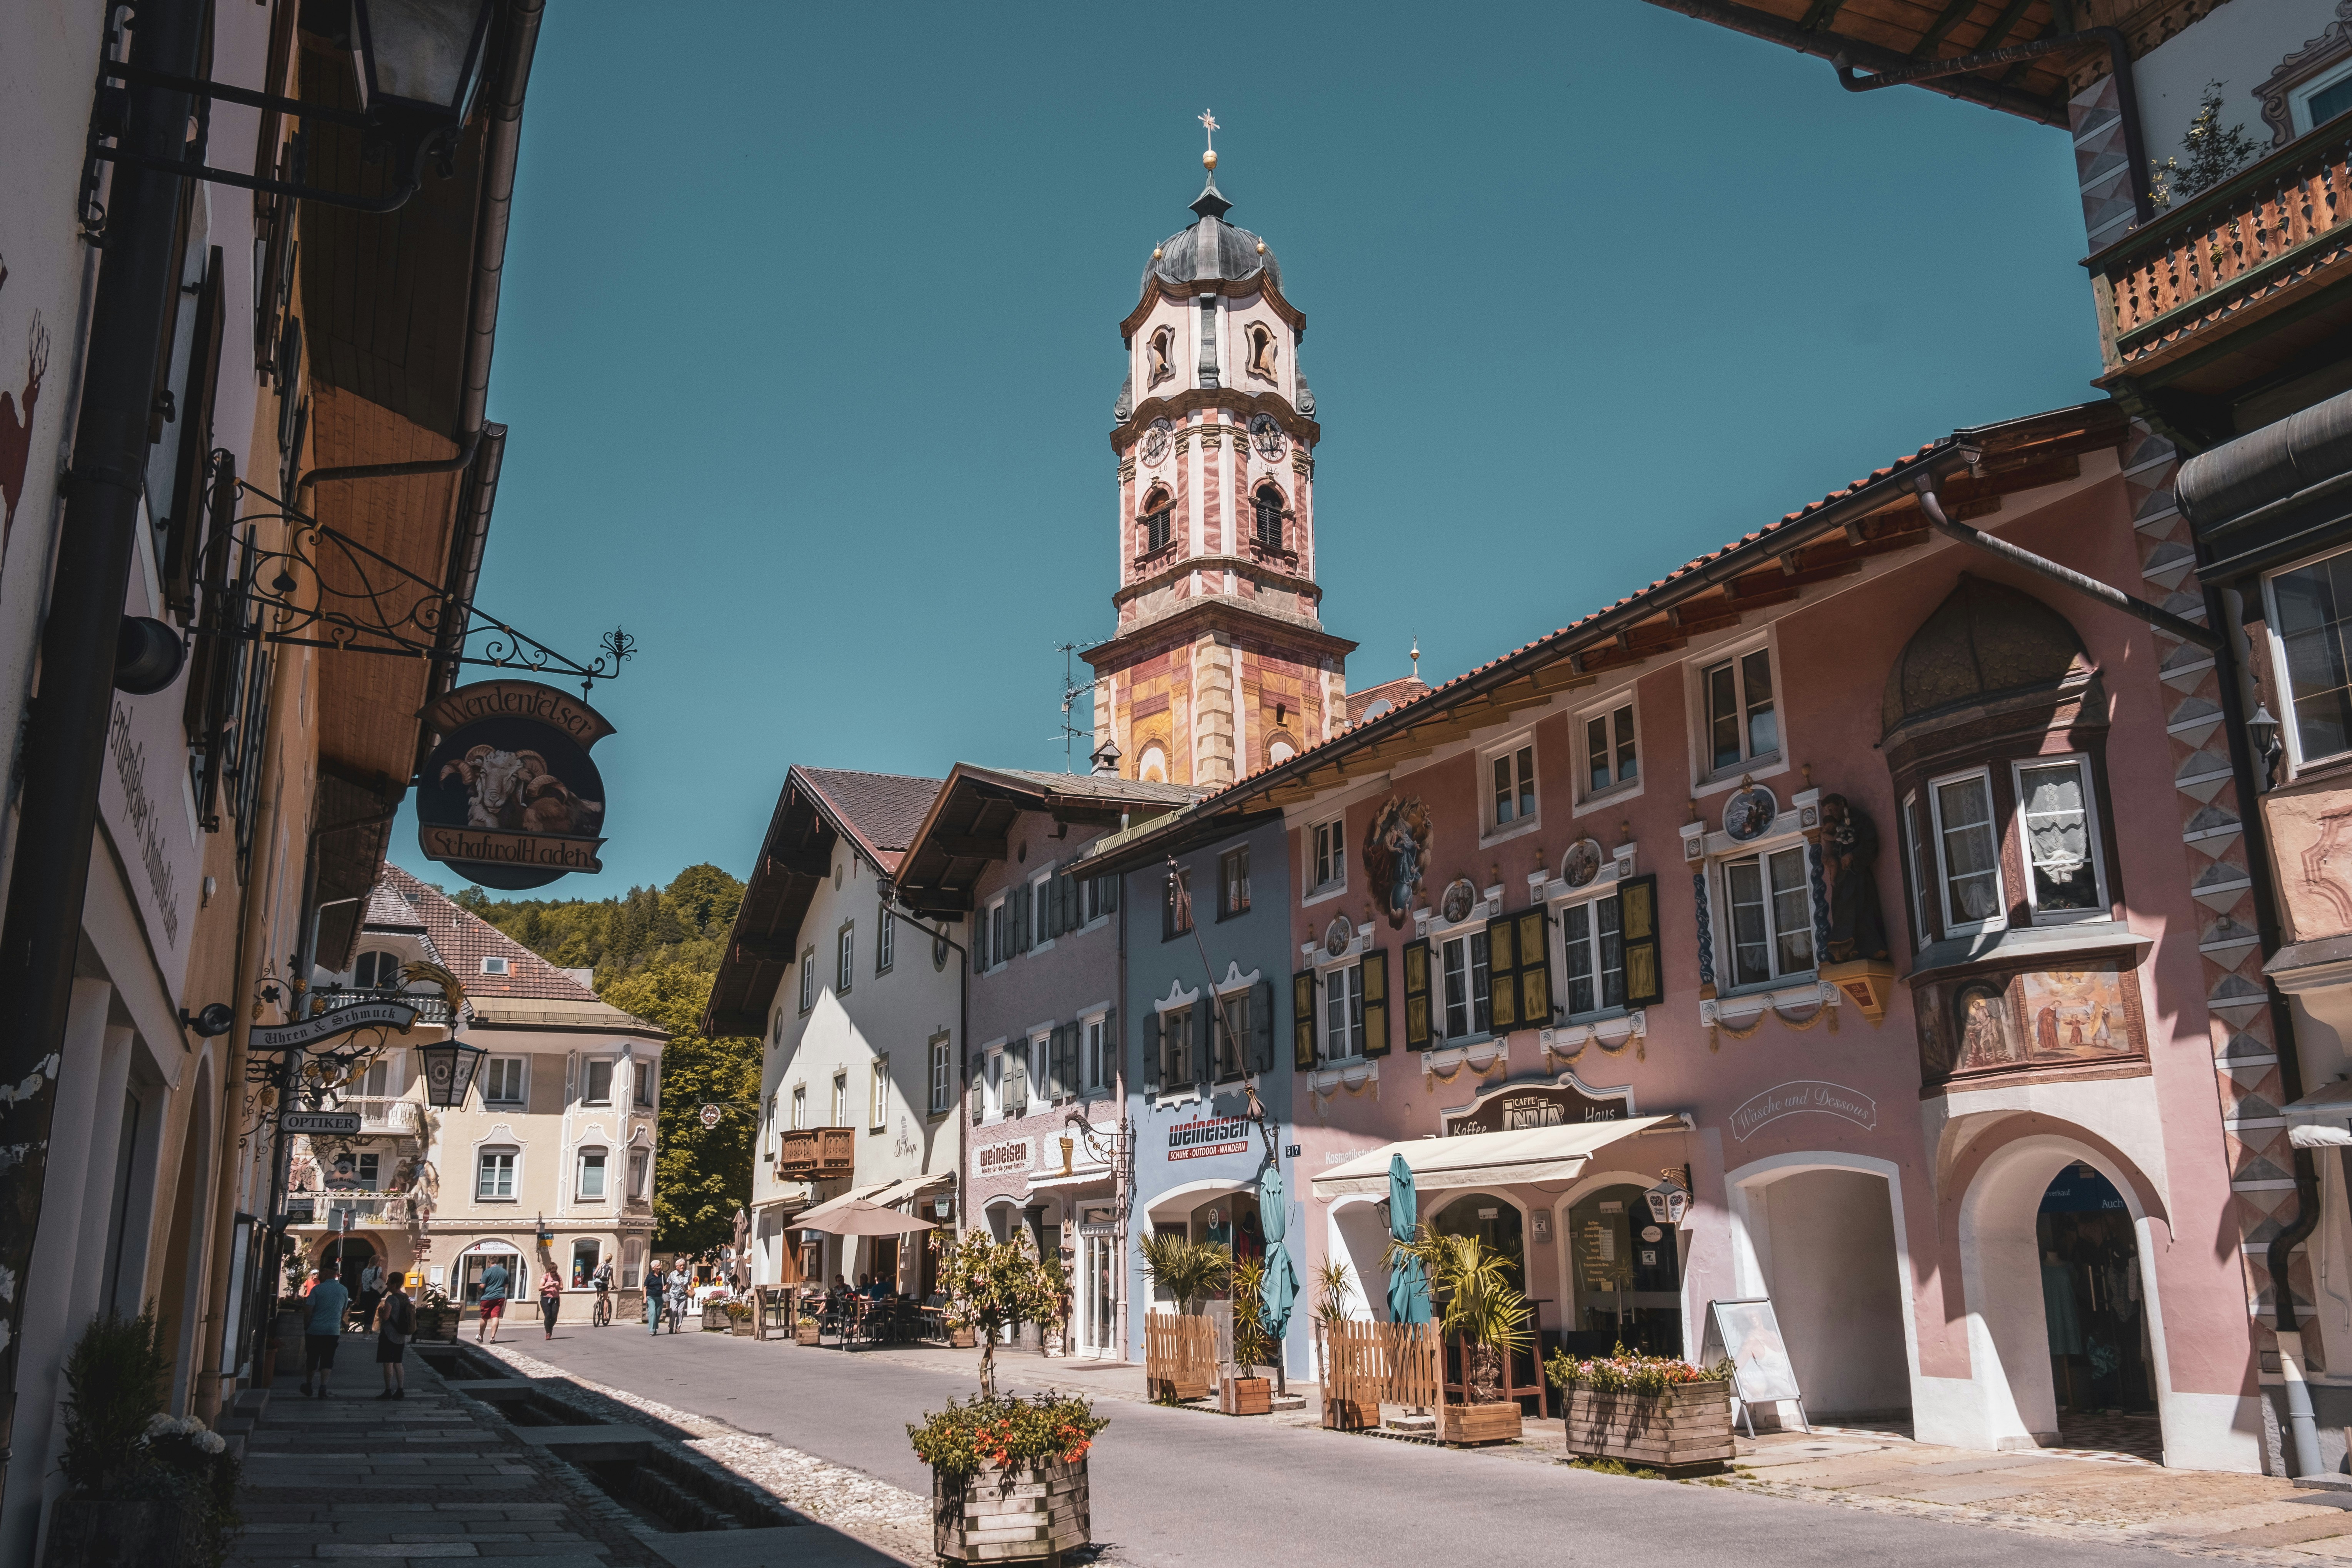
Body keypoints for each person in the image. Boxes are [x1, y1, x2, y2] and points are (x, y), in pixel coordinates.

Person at [299, 1268, 349, 1398]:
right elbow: (344, 1311)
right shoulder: (343, 1290)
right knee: (328, 1359)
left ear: (327, 1274)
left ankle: (309, 1385)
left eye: (322, 1272)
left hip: (315, 1330)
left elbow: (309, 1310)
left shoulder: (317, 1290)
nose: (320, 1274)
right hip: (332, 1331)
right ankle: (323, 1387)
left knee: (312, 1358)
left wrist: (307, 1324)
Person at [374, 1271, 414, 1400]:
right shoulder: (405, 1297)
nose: (387, 1284)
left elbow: (386, 1316)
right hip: (401, 1335)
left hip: (389, 1334)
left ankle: (388, 1390)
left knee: (388, 1363)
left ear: (394, 1284)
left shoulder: (391, 1298)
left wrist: (381, 1311)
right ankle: (400, 1390)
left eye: (389, 1282)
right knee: (398, 1363)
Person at [477, 1256, 510, 1344]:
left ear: (490, 1263)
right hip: (500, 1297)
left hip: (488, 1297)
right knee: (495, 1316)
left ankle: (481, 1336)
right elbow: (506, 1286)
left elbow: (483, 1285)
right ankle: (492, 1338)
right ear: (497, 1262)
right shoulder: (504, 1272)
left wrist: (479, 1286)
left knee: (485, 1317)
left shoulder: (487, 1272)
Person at [538, 1264, 564, 1341]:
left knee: (554, 1317)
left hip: (555, 1298)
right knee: (548, 1315)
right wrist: (548, 1286)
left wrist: (557, 1286)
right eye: (552, 1272)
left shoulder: (559, 1277)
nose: (553, 1274)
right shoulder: (545, 1277)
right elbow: (540, 1288)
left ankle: (550, 1328)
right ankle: (548, 1333)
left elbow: (562, 1288)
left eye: (555, 1272)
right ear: (549, 1271)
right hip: (546, 1298)